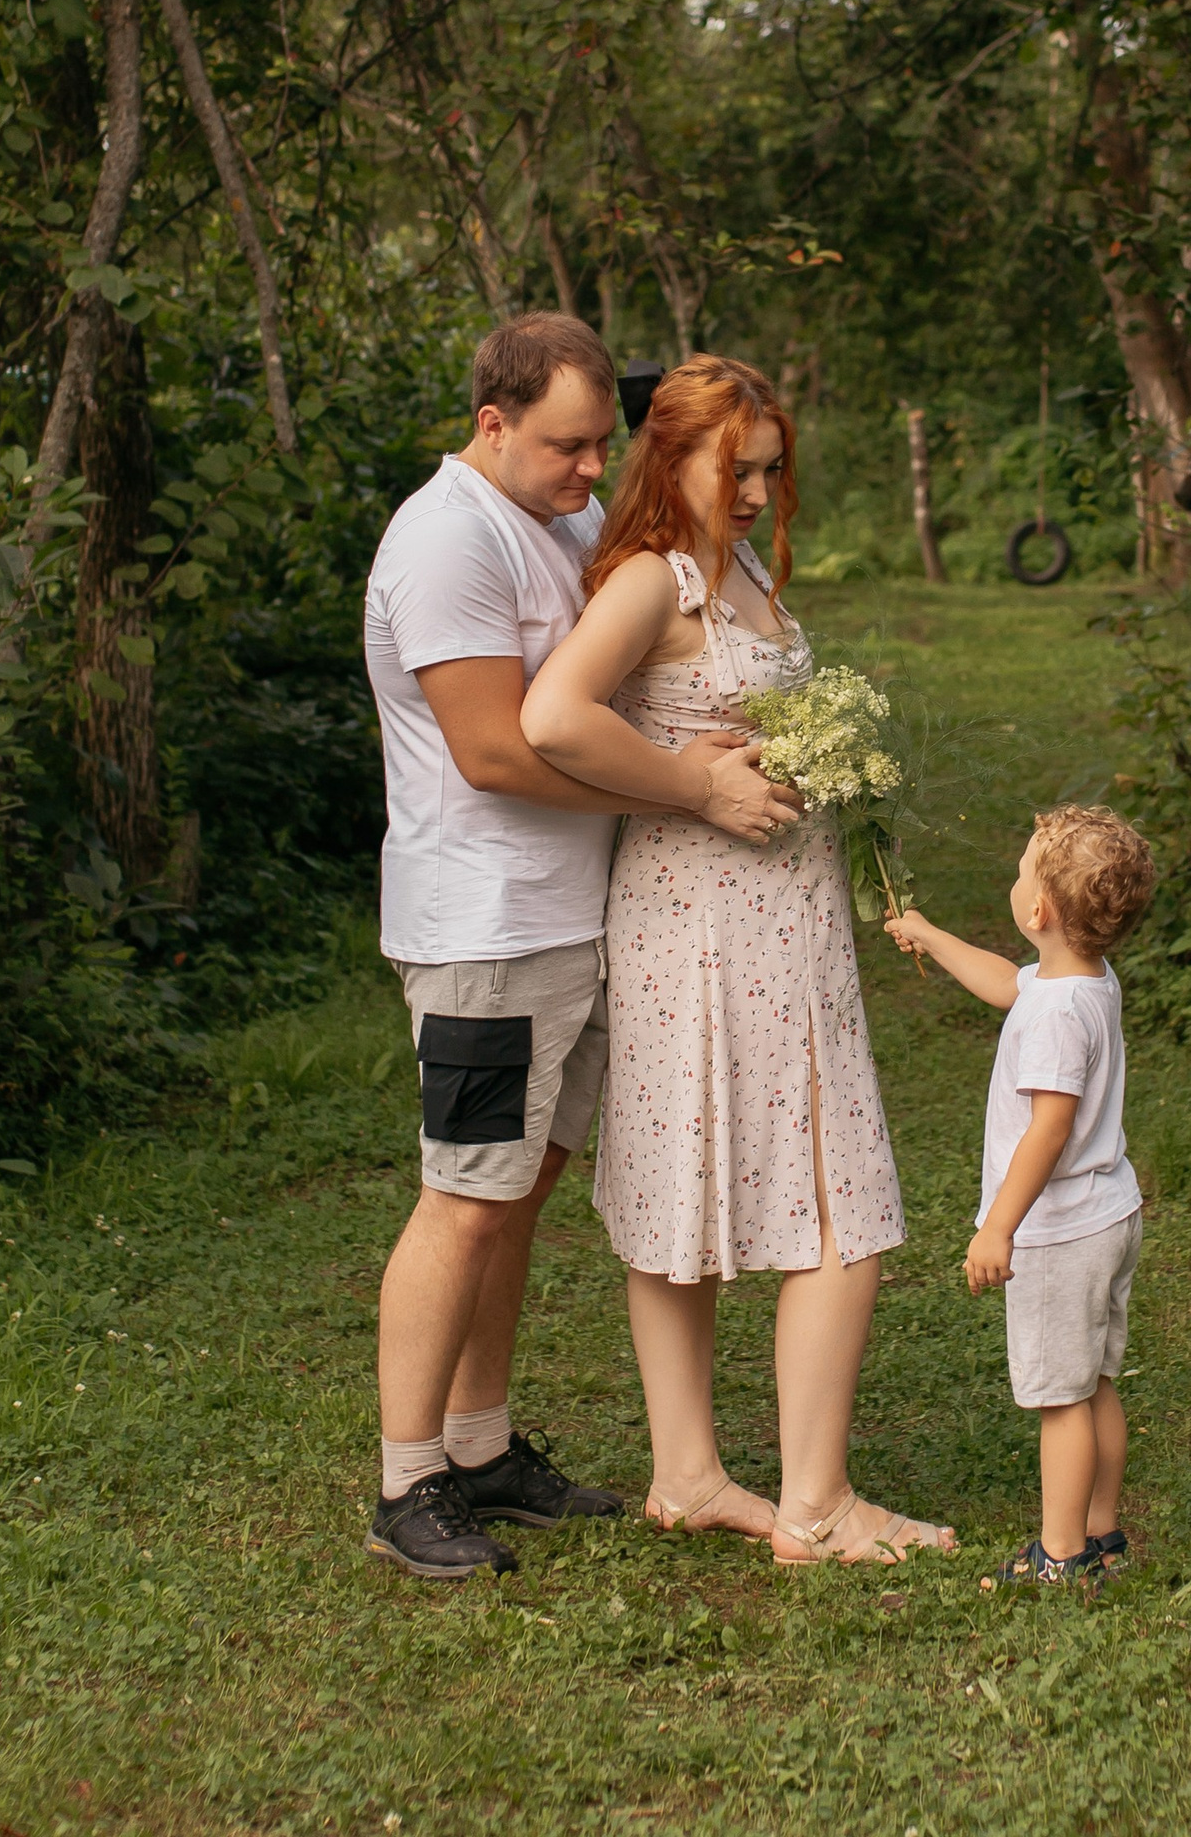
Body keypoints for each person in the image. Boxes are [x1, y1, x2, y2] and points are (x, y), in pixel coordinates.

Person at [360, 314, 801, 1581]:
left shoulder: (554, 519)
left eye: (605, 441)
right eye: (567, 445)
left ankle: (481, 1444)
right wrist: (686, 786)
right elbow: (496, 751)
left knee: (517, 1192)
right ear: (491, 422)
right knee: (463, 1196)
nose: (592, 469)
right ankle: (406, 1481)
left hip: (572, 918)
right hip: (484, 930)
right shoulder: (445, 539)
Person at [521, 354, 955, 1565]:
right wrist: (692, 786)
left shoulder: (741, 568)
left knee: (724, 1188)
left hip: (776, 917)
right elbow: (552, 716)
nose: (760, 492)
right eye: (738, 469)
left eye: (771, 468)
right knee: (832, 1198)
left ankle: (689, 1474)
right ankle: (814, 1506)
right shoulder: (650, 582)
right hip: (703, 921)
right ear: (672, 461)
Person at [884, 805, 1158, 1591]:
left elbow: (1048, 1128)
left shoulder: (1057, 1019)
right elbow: (1010, 984)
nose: (1013, 880)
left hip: (1060, 1232)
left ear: (1038, 911)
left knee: (1061, 1401)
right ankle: (1102, 1534)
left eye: (1019, 871)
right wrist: (932, 935)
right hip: (1108, 1214)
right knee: (1093, 1384)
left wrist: (998, 1227)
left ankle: (1060, 1557)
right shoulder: (1081, 981)